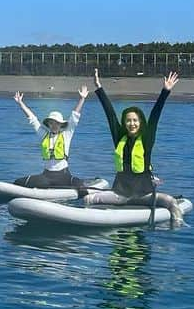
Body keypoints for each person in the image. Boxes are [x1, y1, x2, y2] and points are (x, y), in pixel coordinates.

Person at [87, 68, 184, 228]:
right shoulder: (119, 138)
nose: (132, 123)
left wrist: (165, 92)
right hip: (120, 194)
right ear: (125, 123)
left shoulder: (147, 139)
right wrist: (99, 88)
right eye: (128, 120)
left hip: (144, 195)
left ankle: (178, 227)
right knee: (88, 199)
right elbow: (110, 114)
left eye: (135, 120)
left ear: (140, 123)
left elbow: (154, 117)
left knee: (171, 202)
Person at [11, 85, 88, 188]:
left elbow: (74, 116)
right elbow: (32, 119)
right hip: (46, 176)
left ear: (61, 124)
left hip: (64, 176)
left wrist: (82, 98)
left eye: (57, 123)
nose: (54, 125)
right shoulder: (44, 135)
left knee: (80, 185)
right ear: (48, 124)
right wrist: (21, 103)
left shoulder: (66, 134)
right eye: (51, 123)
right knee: (18, 182)